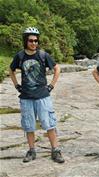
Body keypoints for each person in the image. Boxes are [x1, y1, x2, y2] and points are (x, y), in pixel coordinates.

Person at [9, 27, 64, 163]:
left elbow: (57, 68)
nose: (34, 43)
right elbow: (11, 70)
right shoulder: (20, 56)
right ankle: (32, 151)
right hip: (26, 97)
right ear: (25, 41)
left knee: (49, 124)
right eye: (31, 40)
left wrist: (51, 85)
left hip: (43, 96)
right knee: (29, 125)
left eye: (36, 40)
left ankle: (55, 150)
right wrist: (16, 85)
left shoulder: (43, 55)